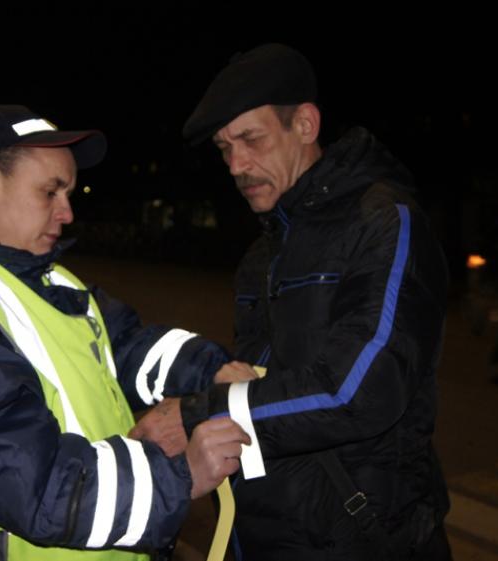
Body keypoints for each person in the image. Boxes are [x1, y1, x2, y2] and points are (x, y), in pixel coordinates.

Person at [0, 104, 250, 561]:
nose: (68, 212)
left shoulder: (36, 275)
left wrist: (212, 371)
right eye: (50, 192)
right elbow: (32, 485)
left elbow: (124, 345)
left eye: (69, 193)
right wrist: (180, 475)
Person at [130, 44, 452, 560]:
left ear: (304, 124)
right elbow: (267, 381)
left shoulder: (384, 222)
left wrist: (195, 415)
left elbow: (357, 392)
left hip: (359, 540)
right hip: (261, 536)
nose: (236, 165)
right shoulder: (262, 252)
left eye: (251, 139)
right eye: (224, 148)